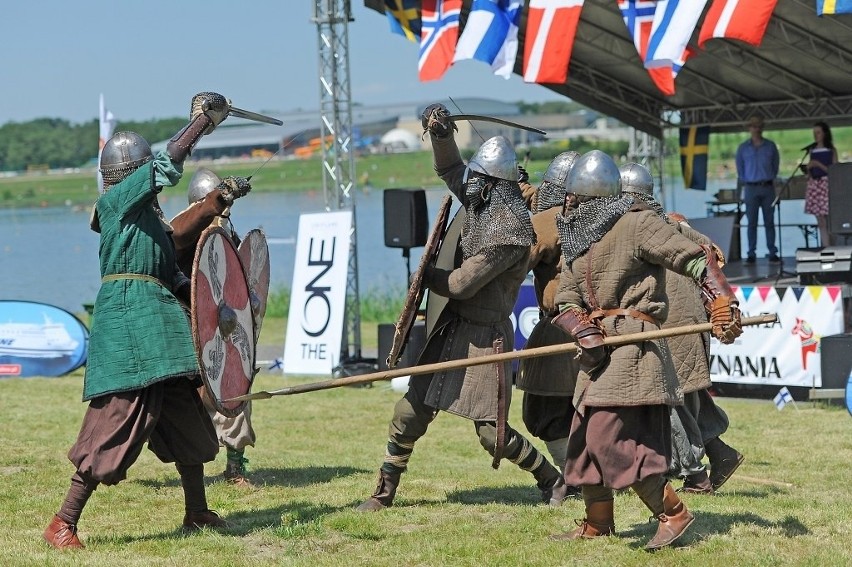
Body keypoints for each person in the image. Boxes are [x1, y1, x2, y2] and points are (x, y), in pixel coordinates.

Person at [43, 93, 232, 550]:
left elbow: (176, 257)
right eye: (144, 172)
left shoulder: (146, 218)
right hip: (130, 322)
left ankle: (196, 511)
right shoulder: (116, 204)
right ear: (129, 176)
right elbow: (166, 165)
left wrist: (220, 199)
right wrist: (200, 123)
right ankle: (62, 522)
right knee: (118, 416)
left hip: (158, 321)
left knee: (184, 412)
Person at [356, 103, 565, 512]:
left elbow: (460, 284)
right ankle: (384, 491)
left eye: (477, 180)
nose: (468, 186)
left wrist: (423, 276)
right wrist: (439, 132)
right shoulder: (483, 203)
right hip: (451, 330)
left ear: (490, 185)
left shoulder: (510, 232)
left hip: (485, 340)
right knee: (409, 412)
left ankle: (549, 477)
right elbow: (451, 170)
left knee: (493, 435)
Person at [549, 150, 742, 551]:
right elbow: (565, 297)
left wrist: (722, 300)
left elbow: (691, 258)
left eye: (573, 196)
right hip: (598, 348)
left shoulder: (636, 224)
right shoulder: (577, 237)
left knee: (608, 440)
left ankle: (673, 513)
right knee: (583, 439)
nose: (567, 203)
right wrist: (579, 326)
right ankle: (599, 522)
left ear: (590, 194)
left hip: (634, 345)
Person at [621, 163, 744, 494]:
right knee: (688, 399)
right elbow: (707, 249)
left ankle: (695, 476)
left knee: (671, 403)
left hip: (672, 326)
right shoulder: (672, 224)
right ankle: (721, 456)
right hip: (683, 325)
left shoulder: (642, 229)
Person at [170, 168, 255, 487]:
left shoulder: (227, 229)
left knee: (235, 387)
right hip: (187, 321)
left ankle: (235, 466)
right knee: (187, 397)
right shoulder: (181, 230)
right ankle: (191, 465)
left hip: (223, 323)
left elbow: (236, 277)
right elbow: (177, 271)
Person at [516, 151, 583, 504]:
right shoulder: (608, 216)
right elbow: (540, 202)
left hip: (562, 326)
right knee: (584, 408)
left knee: (546, 409)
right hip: (600, 327)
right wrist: (519, 186)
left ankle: (573, 479)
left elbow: (519, 257)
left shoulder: (550, 221)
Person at [735, 115, 780, 264]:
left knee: (770, 222)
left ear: (762, 128)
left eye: (759, 126)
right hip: (750, 188)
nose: (756, 129)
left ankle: (772, 252)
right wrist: (746, 182)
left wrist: (770, 179)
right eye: (754, 126)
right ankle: (751, 253)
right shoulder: (743, 148)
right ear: (749, 128)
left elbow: (775, 167)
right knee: (751, 222)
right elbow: (740, 169)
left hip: (767, 187)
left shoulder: (770, 146)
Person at [803, 121, 838, 248]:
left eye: (818, 132)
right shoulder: (812, 150)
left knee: (829, 219)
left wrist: (818, 164)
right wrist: (809, 170)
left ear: (824, 134)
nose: (816, 135)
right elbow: (810, 170)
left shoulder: (831, 150)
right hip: (814, 184)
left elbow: (835, 171)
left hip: (826, 184)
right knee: (820, 221)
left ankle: (833, 246)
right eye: (814, 133)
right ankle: (826, 246)